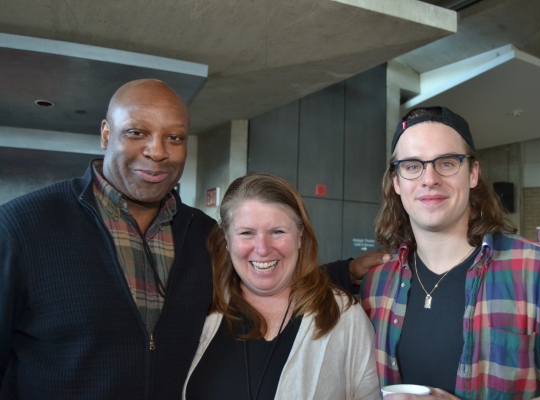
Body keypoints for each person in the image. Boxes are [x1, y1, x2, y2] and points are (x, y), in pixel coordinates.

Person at [0, 79, 386, 399]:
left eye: (174, 137)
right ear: (105, 133)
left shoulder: (203, 235)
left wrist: (345, 271)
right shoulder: (23, 227)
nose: (157, 152)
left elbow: (262, 273)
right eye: (137, 132)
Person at [360, 106, 540, 399]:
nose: (429, 178)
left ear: (473, 173)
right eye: (412, 166)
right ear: (396, 181)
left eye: (447, 163)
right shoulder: (376, 285)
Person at [182, 173, 380, 399]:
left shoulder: (344, 316)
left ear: (300, 237)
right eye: (247, 233)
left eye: (277, 232)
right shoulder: (201, 306)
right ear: (227, 238)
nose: (262, 248)